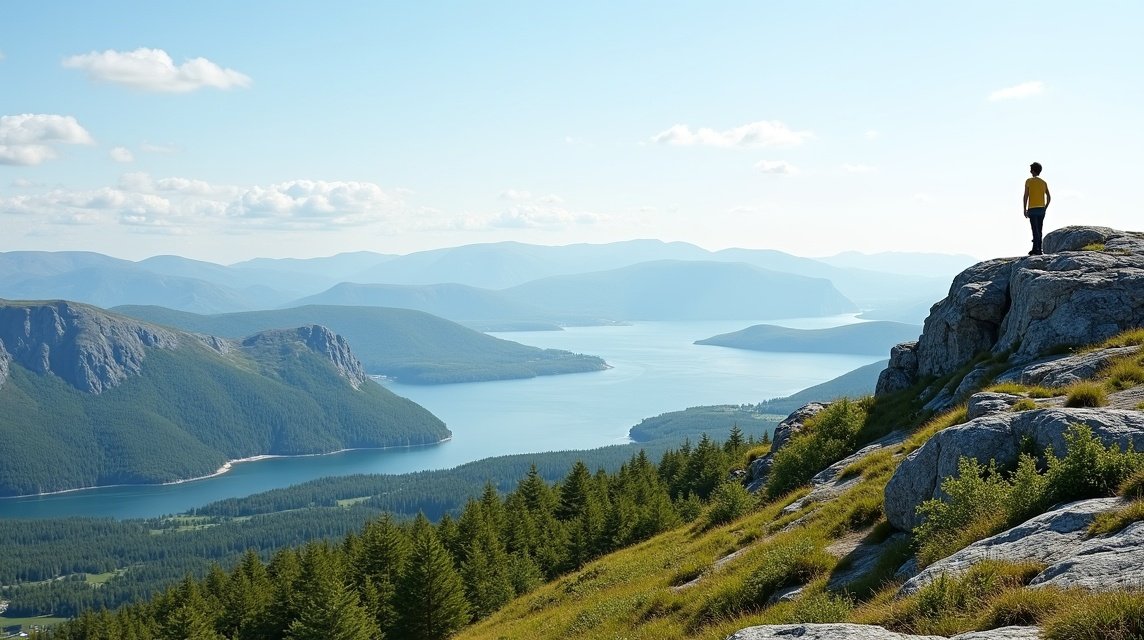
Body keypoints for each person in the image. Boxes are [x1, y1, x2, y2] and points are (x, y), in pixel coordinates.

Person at [1023, 162, 1051, 255]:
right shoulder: (1043, 182)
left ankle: (1036, 250)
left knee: (1035, 230)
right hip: (1041, 209)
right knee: (1039, 229)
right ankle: (1038, 248)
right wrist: (1045, 207)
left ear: (1033, 171)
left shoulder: (1029, 181)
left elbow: (1026, 196)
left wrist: (1024, 209)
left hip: (1032, 209)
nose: (1030, 171)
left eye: (1031, 169)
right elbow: (1049, 197)